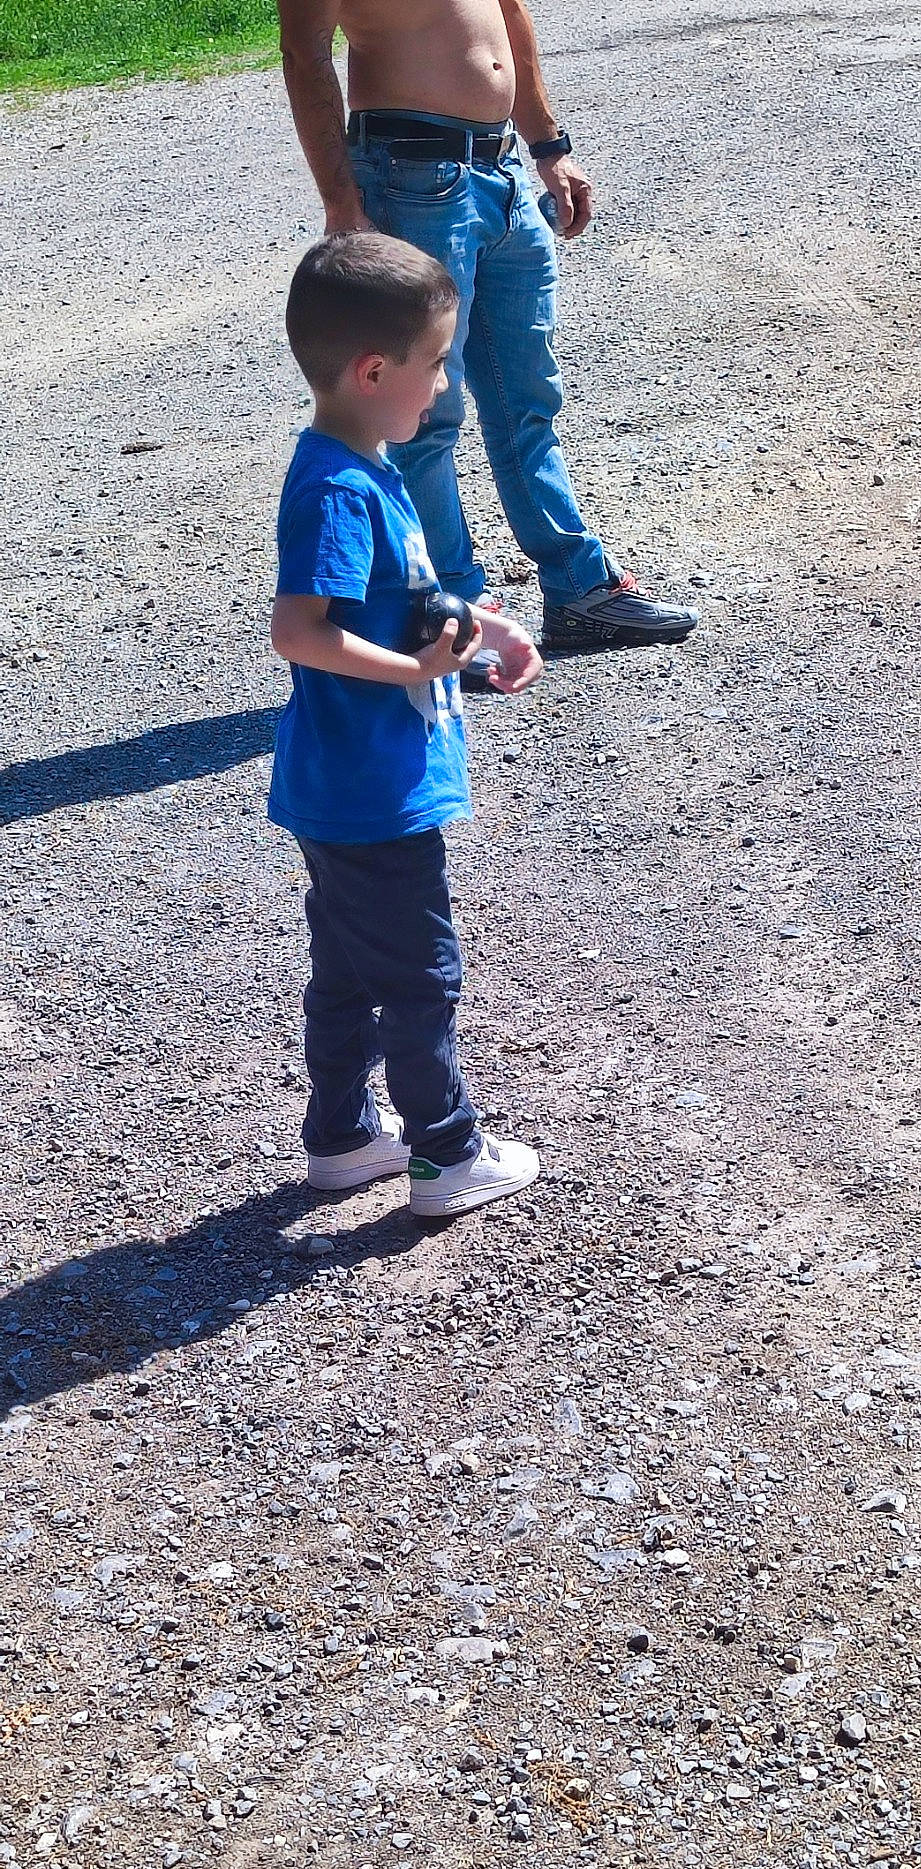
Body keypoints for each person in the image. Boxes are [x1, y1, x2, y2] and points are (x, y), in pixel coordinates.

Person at [275, 0, 699, 657]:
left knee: (527, 399)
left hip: (498, 170)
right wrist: (341, 203)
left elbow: (508, 19)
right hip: (409, 174)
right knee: (422, 415)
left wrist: (549, 149)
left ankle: (579, 590)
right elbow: (305, 53)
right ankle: (448, 613)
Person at [269, 233, 543, 1218]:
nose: (444, 381)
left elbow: (403, 599)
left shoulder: (362, 462)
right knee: (422, 977)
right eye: (434, 363)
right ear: (373, 369)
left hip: (345, 788)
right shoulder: (338, 489)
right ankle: (447, 1155)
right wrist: (416, 668)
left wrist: (479, 628)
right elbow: (300, 631)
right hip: (370, 791)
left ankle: (342, 1136)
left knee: (347, 967)